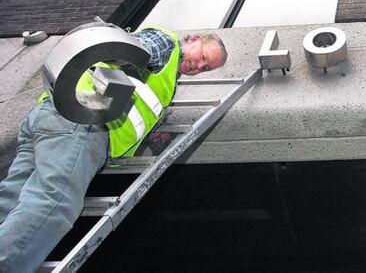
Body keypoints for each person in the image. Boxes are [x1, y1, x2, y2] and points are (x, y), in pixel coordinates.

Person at [0, 26, 227, 273]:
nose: (199, 67)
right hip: (83, 123)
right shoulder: (165, 44)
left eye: (206, 68)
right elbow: (125, 53)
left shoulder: (167, 78)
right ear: (193, 39)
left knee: (11, 200)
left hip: (51, 119)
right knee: (55, 203)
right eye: (203, 57)